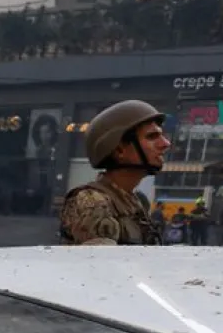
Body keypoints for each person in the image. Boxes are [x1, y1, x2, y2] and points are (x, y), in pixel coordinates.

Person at [58, 100, 170, 245]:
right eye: (151, 136)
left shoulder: (137, 201)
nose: (165, 144)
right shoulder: (92, 201)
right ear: (119, 150)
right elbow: (100, 264)